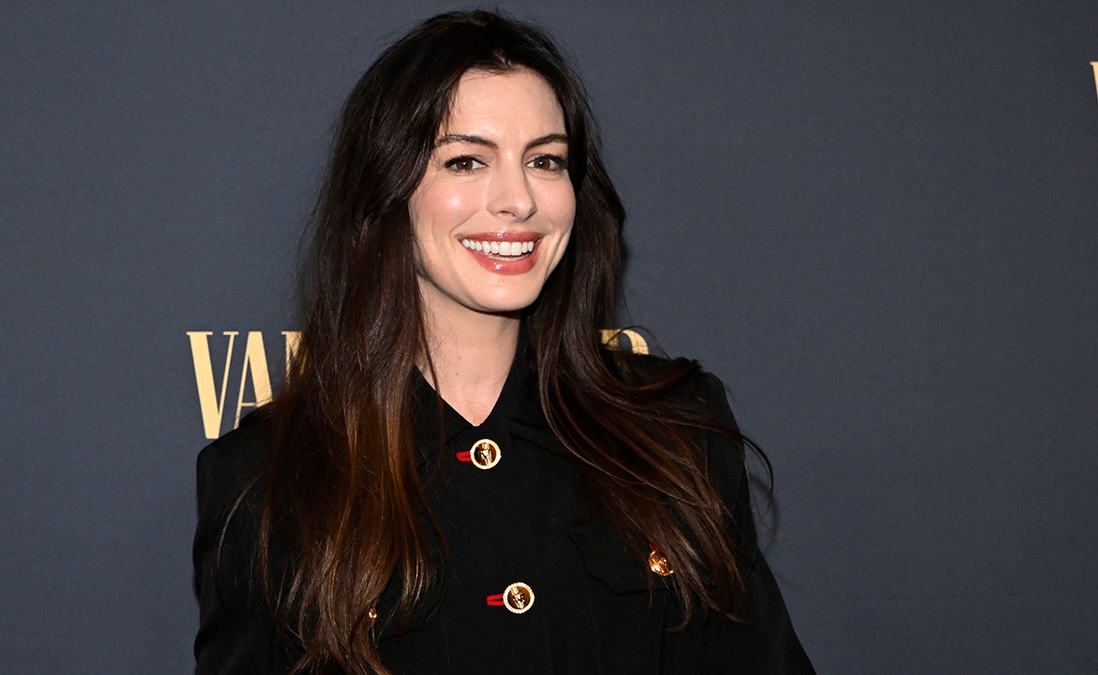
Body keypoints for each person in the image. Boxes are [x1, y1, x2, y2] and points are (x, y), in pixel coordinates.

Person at [193, 9, 814, 674]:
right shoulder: (266, 479)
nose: (518, 198)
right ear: (385, 188)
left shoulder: (677, 427)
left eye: (545, 159)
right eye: (466, 160)